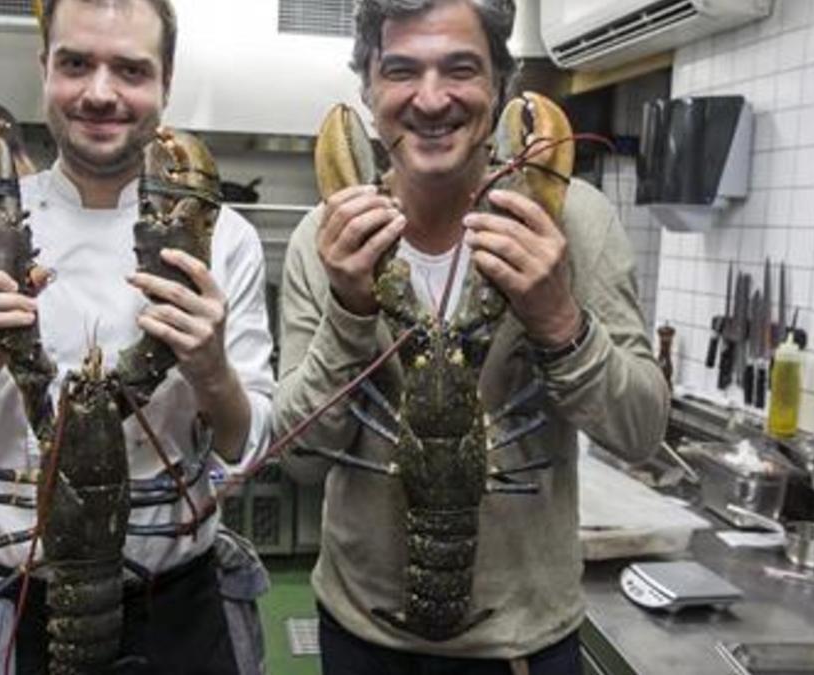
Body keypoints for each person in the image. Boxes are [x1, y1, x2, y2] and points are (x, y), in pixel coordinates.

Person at [274, 0, 670, 673]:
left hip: (521, 644)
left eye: (460, 68)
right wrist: (349, 308)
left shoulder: (576, 221)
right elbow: (301, 458)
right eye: (401, 70)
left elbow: (640, 431)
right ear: (367, 89)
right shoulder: (326, 238)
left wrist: (559, 321)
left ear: (499, 85)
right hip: (362, 633)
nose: (431, 99)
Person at [0, 0, 274, 673]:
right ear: (44, 69)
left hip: (175, 611)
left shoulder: (224, 238)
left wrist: (210, 370)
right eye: (75, 64)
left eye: (130, 69)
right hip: (15, 612)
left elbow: (242, 454)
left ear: (166, 82)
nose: (99, 92)